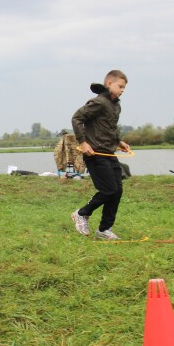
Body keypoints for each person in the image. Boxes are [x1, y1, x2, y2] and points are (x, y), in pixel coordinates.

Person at [70, 70, 132, 241]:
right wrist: (83, 142)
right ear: (109, 84)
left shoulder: (116, 105)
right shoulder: (99, 102)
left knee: (117, 190)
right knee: (109, 190)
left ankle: (104, 229)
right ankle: (82, 214)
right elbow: (77, 118)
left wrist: (119, 142)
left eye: (124, 87)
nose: (122, 90)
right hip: (94, 153)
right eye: (120, 86)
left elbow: (109, 128)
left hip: (109, 153)